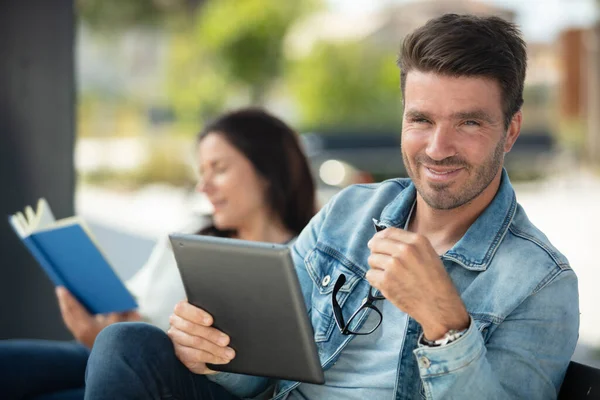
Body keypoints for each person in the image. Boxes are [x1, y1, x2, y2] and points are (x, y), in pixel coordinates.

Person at [84, 14, 579, 400]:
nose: (437, 147)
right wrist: (215, 355)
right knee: (125, 346)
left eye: (468, 123)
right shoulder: (349, 213)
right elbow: (259, 379)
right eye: (421, 119)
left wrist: (446, 327)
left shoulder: (541, 282)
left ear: (511, 131)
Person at [0, 107, 316, 400]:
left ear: (267, 170)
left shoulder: (304, 261)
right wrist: (103, 321)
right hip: (110, 351)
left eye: (218, 169)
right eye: (201, 171)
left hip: (166, 372)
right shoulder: (191, 237)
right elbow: (134, 301)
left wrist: (116, 339)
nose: (203, 186)